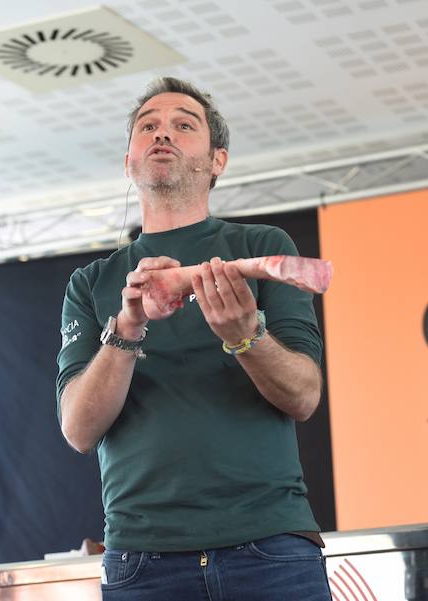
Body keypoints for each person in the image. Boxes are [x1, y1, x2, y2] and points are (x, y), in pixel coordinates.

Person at [55, 77, 331, 600]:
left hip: (270, 546)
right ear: (129, 161)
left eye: (184, 125)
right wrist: (126, 330)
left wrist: (245, 336)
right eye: (148, 126)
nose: (162, 134)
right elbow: (78, 429)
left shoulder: (262, 246)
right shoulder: (91, 283)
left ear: (217, 161)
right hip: (142, 559)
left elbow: (303, 396)